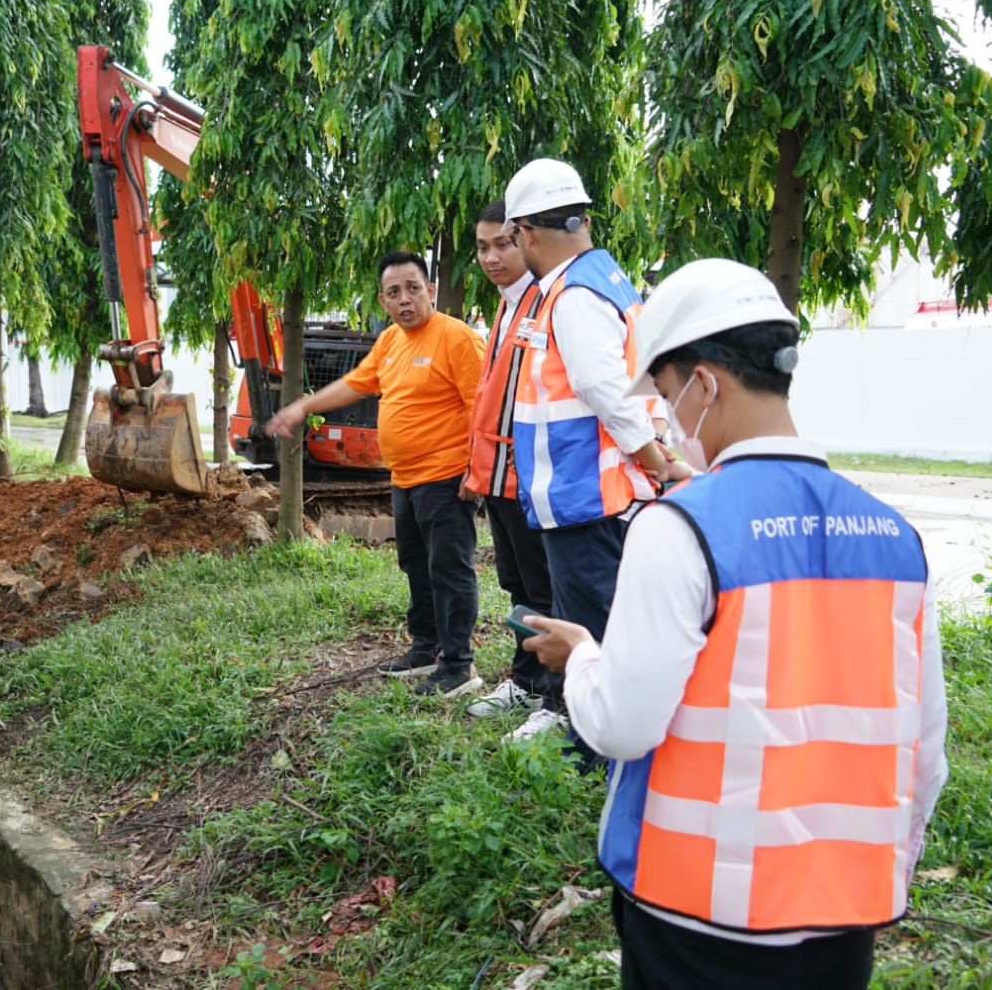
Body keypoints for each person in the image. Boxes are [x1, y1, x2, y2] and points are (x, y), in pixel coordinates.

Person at [524, 259, 949, 990]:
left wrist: (584, 659)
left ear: (706, 384)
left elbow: (622, 725)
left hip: (698, 918)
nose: (665, 419)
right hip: (843, 920)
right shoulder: (894, 537)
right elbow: (924, 752)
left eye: (663, 394)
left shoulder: (681, 525)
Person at [500, 158, 688, 760]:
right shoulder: (608, 279)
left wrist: (658, 461)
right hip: (601, 490)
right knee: (602, 617)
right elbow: (648, 381)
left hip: (585, 492)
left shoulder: (573, 295)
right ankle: (598, 732)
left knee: (592, 628)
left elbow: (606, 389)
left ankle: (595, 748)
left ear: (528, 233)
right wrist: (657, 453)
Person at [268, 252, 487, 696]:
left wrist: (475, 471)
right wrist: (303, 405)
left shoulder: (457, 339)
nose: (404, 299)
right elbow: (356, 383)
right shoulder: (389, 341)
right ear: (383, 301)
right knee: (415, 565)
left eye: (412, 287)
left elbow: (484, 409)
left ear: (430, 290)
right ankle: (425, 648)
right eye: (393, 292)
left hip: (446, 477)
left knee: (449, 569)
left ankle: (459, 666)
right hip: (404, 478)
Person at [458, 201, 564, 741]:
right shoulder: (505, 305)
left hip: (532, 479)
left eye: (502, 243)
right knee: (517, 584)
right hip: (500, 477)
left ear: (526, 239)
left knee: (545, 591)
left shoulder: (546, 303)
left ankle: (555, 697)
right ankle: (526, 681)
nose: (492, 256)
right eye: (482, 247)